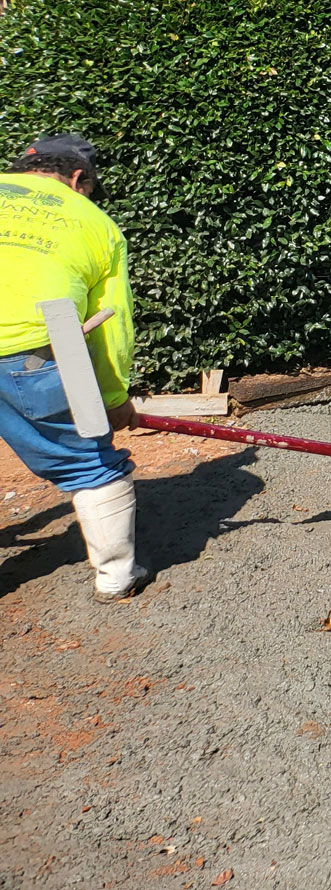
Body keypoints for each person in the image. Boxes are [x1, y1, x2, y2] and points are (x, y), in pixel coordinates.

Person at [0, 134, 148, 601]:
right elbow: (111, 324)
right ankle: (116, 577)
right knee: (89, 462)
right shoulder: (94, 222)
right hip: (40, 347)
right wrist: (113, 399)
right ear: (78, 177)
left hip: (40, 342)